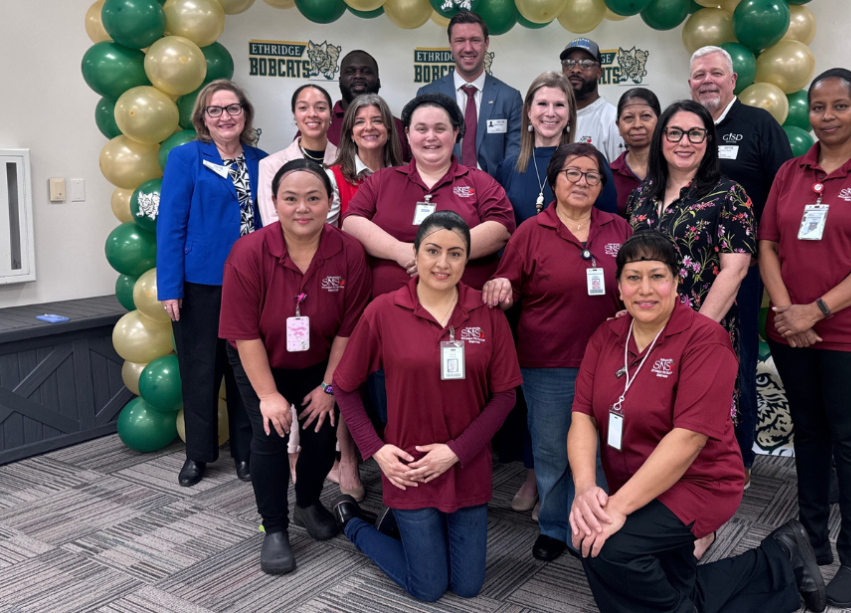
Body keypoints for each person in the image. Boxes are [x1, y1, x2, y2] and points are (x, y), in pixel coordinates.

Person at [570, 231, 825, 613]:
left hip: (701, 482)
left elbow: (688, 439)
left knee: (608, 548)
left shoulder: (705, 340)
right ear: (619, 288)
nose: (646, 288)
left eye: (657, 276)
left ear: (675, 283)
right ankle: (779, 559)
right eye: (633, 277)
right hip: (638, 477)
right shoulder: (607, 335)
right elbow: (583, 417)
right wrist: (586, 487)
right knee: (668, 581)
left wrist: (616, 508)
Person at [758, 68, 851, 608]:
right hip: (793, 331)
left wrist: (816, 311)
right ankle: (811, 540)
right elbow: (769, 244)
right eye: (818, 107)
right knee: (809, 433)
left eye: (838, 107)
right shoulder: (789, 173)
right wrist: (786, 310)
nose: (826, 117)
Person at [330, 211, 522, 602]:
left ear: (467, 259)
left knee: (468, 586)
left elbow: (505, 396)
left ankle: (404, 527)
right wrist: (376, 449)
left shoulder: (486, 313)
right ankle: (356, 526)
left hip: (466, 465)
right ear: (415, 255)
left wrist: (455, 452)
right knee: (428, 588)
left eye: (455, 253)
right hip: (408, 469)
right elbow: (345, 387)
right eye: (432, 251)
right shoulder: (383, 311)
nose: (443, 263)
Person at [218, 159, 371, 574]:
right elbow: (243, 333)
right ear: (274, 203)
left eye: (313, 198)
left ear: (329, 203)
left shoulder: (349, 252)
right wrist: (269, 397)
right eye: (290, 199)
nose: (302, 208)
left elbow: (347, 330)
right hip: (260, 357)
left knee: (322, 438)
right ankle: (274, 528)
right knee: (270, 436)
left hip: (321, 359)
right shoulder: (248, 252)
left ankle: (306, 502)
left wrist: (327, 388)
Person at [484, 142, 632, 562]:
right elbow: (507, 287)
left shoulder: (618, 230)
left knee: (603, 450)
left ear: (601, 184)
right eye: (573, 173)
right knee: (551, 451)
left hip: (610, 364)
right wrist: (501, 289)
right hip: (547, 363)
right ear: (554, 180)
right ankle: (553, 524)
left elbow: (636, 287)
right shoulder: (531, 230)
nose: (582, 181)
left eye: (591, 175)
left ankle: (591, 526)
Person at [627, 100, 755, 560]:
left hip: (703, 333)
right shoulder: (641, 197)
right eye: (675, 133)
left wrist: (694, 333)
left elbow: (734, 270)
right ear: (660, 139)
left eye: (695, 134)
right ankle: (658, 507)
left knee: (697, 428)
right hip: (643, 334)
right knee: (656, 422)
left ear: (709, 141)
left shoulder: (728, 195)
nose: (684, 142)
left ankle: (701, 525)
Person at [342, 93, 515, 425]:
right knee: (397, 418)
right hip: (393, 327)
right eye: (421, 128)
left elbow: (501, 227)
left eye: (440, 128)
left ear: (457, 132)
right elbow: (352, 221)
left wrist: (435, 253)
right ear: (406, 135)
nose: (431, 137)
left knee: (463, 421)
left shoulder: (479, 183)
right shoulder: (382, 180)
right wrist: (402, 251)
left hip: (463, 327)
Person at [689, 46, 794, 488]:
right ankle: (690, 455)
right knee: (686, 362)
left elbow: (785, 196)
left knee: (735, 363)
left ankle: (739, 458)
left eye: (716, 73)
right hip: (685, 270)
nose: (707, 80)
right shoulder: (682, 127)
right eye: (699, 75)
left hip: (740, 270)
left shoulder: (759, 126)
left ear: (734, 80)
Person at [158, 79, 263, 487]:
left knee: (246, 373)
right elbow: (170, 225)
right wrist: (170, 286)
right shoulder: (186, 158)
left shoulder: (262, 161)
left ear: (245, 114)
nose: (225, 117)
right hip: (199, 283)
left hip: (252, 285)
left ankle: (245, 451)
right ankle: (198, 455)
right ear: (203, 118)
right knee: (200, 370)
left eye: (233, 108)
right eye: (215, 110)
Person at [497, 71, 618, 225]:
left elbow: (609, 228)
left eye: (559, 105)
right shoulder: (507, 167)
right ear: (528, 111)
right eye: (542, 104)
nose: (550, 113)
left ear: (570, 114)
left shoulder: (592, 163)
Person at [416, 12, 521, 178]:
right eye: (460, 41)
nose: (468, 48)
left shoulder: (509, 97)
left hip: (492, 195)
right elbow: (421, 154)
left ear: (486, 44)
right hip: (441, 193)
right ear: (450, 44)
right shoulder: (428, 95)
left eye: (475, 40)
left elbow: (514, 161)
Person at [258, 84, 338, 226]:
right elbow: (272, 224)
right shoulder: (272, 165)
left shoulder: (348, 160)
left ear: (331, 114)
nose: (312, 114)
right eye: (303, 108)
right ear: (295, 115)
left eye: (320, 107)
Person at [321, 49, 410, 156]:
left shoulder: (399, 126)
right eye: (350, 71)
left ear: (378, 82)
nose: (358, 76)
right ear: (339, 82)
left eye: (366, 72)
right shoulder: (319, 125)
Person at [328, 94, 404, 215]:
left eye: (377, 121)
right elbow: (328, 232)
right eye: (360, 122)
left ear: (389, 131)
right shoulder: (333, 178)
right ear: (351, 134)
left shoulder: (407, 176)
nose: (369, 127)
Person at [561, 38, 625, 162]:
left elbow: (619, 178)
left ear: (599, 72)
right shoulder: (553, 117)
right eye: (569, 63)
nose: (575, 69)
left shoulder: (612, 120)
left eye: (586, 63)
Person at [611, 88, 660, 217]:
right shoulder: (608, 176)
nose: (637, 125)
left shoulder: (675, 170)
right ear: (618, 126)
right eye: (628, 117)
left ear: (660, 122)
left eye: (645, 116)